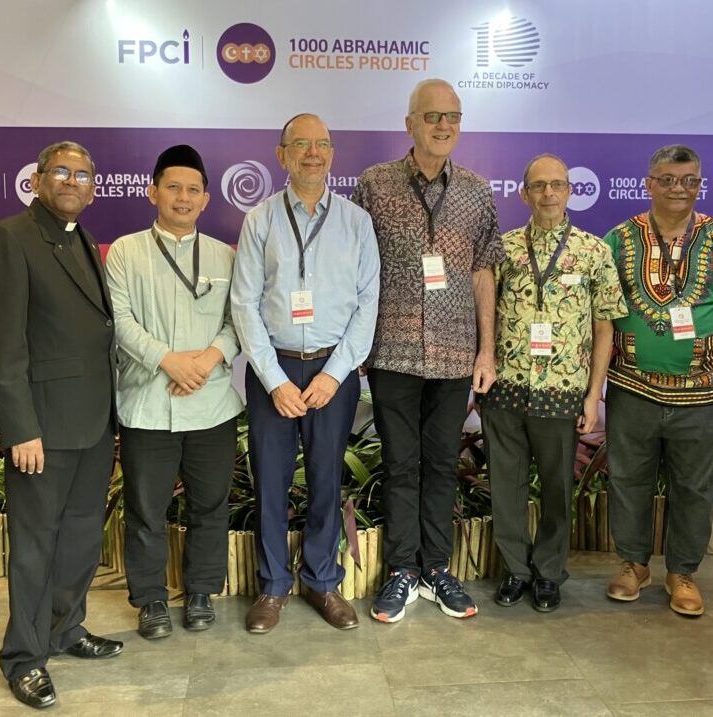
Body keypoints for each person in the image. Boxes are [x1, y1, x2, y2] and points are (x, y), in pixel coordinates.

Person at [351, 79, 504, 623]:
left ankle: (436, 567)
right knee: (400, 465)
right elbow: (357, 269)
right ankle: (400, 573)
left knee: (442, 464)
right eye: (433, 116)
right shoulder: (375, 185)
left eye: (454, 117)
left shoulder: (477, 192)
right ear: (410, 123)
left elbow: (484, 272)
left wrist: (487, 351)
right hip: (391, 351)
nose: (444, 126)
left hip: (456, 354)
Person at [231, 113, 379, 634]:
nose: (312, 153)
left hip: (330, 372)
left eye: (322, 145)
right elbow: (244, 303)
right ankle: (272, 587)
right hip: (272, 367)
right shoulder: (260, 220)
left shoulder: (357, 223)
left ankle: (322, 580)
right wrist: (273, 379)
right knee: (269, 483)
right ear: (282, 155)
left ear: (332, 154)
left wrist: (335, 374)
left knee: (324, 480)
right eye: (301, 145)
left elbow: (368, 305)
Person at [0, 141, 122, 710]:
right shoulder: (12, 238)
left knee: (76, 541)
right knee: (33, 547)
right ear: (39, 179)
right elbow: (6, 348)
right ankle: (24, 657)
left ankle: (66, 629)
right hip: (43, 429)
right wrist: (20, 427)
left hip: (93, 423)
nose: (72, 181)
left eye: (83, 174)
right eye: (61, 172)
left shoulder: (84, 241)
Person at [105, 145, 242, 639]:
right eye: (173, 187)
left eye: (192, 190)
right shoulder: (124, 251)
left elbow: (238, 322)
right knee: (146, 510)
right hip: (148, 405)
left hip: (212, 404)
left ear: (206, 199)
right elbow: (120, 321)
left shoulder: (226, 255)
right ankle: (150, 600)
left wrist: (206, 360)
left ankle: (202, 590)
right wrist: (169, 361)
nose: (182, 198)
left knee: (210, 505)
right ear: (152, 192)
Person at [482, 154, 627, 612]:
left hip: (563, 391)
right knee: (506, 486)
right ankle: (516, 570)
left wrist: (593, 394)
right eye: (539, 186)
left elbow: (605, 326)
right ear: (523, 193)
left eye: (557, 185)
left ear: (569, 192)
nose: (548, 193)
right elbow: (484, 314)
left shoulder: (593, 251)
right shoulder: (501, 249)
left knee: (557, 488)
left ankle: (547, 573)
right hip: (505, 389)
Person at [604, 144, 713, 617]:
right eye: (668, 179)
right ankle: (633, 565)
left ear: (699, 185)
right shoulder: (619, 239)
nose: (678, 189)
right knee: (629, 479)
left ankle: (682, 571)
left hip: (701, 391)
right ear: (649, 184)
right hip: (633, 387)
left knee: (694, 486)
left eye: (689, 180)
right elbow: (602, 314)